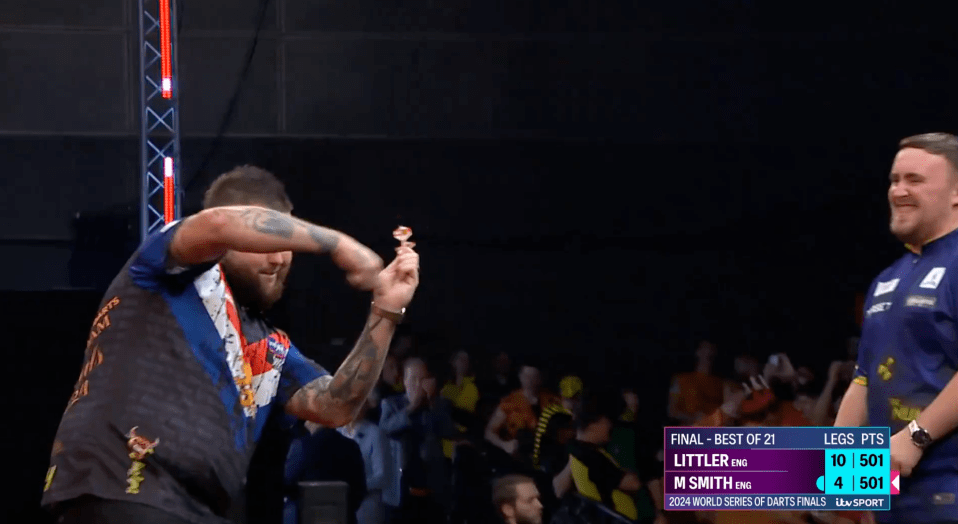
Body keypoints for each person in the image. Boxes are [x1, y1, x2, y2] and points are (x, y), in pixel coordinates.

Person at [40, 166, 420, 524]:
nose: (280, 258)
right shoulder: (167, 268)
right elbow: (220, 224)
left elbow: (335, 406)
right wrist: (339, 244)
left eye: (287, 246)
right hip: (121, 489)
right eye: (268, 240)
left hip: (199, 509)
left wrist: (385, 310)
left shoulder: (271, 345)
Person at [835, 132, 958, 524]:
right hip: (894, 500)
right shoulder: (886, 279)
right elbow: (864, 380)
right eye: (894, 180)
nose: (898, 191)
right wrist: (848, 477)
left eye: (915, 180)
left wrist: (915, 437)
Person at [380, 357, 457, 524]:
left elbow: (449, 432)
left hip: (432, 483)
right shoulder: (391, 404)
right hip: (402, 484)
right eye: (413, 379)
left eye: (422, 379)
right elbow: (385, 428)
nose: (418, 384)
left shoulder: (439, 405)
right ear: (404, 381)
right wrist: (411, 407)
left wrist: (431, 403)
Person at [283, 421, 367, 524]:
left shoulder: (301, 446)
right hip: (343, 519)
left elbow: (286, 485)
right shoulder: (351, 447)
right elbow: (360, 490)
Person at [339, 394, 393, 524]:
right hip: (340, 504)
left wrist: (355, 486)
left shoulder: (375, 434)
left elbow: (383, 476)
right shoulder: (337, 432)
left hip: (367, 506)